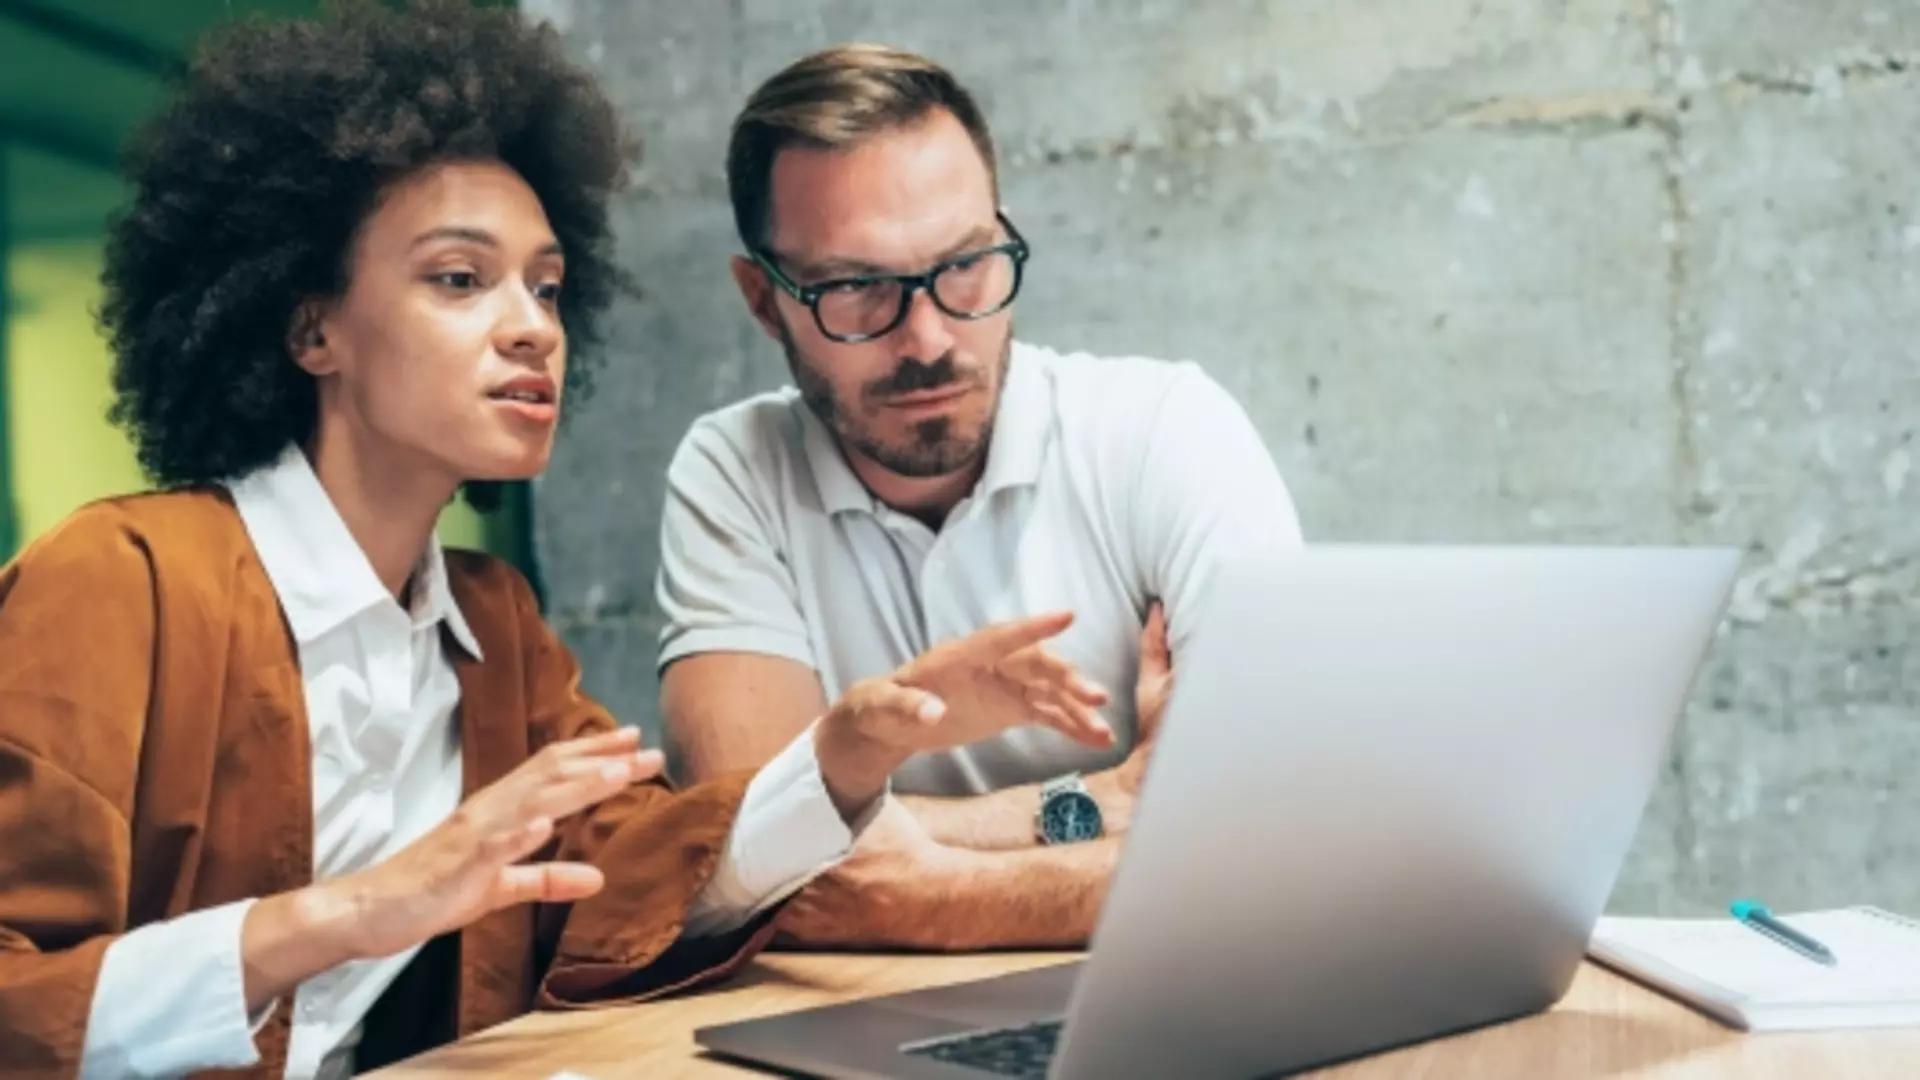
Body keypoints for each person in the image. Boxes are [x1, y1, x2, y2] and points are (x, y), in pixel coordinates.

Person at [0, 6, 1112, 1078]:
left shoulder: (493, 627)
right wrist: (340, 916)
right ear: (311, 326)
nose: (533, 325)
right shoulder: (120, 582)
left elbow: (634, 883)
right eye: (458, 279)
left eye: (545, 284)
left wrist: (845, 755)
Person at [656, 43, 1305, 952]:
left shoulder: (1163, 430)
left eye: (966, 265)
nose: (928, 338)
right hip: (857, 1020)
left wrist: (934, 894)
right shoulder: (737, 470)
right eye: (855, 288)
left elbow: (1281, 838)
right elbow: (739, 857)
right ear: (764, 301)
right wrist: (1108, 801)